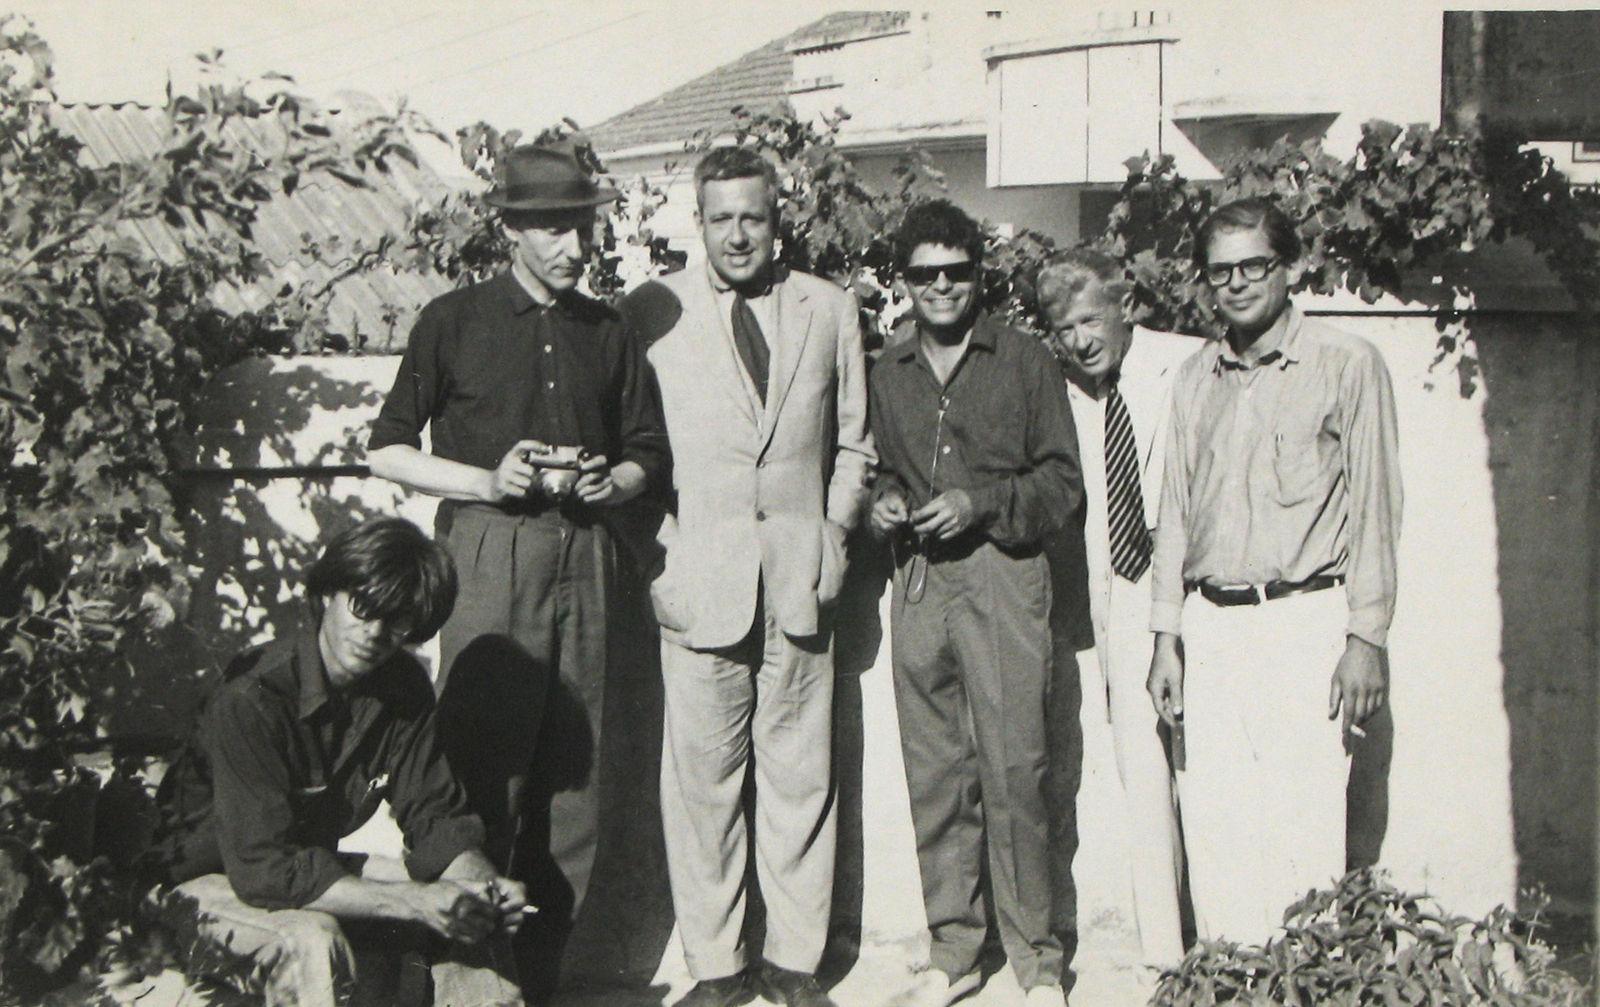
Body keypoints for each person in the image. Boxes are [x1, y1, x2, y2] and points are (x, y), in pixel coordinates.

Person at [365, 143, 668, 996]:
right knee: (483, 771)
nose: (576, 245)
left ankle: (548, 979)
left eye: (583, 224)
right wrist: (487, 480)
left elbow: (649, 452)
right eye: (555, 228)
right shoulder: (451, 321)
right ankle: (472, 980)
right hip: (490, 553)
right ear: (511, 229)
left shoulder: (608, 331)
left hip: (591, 558)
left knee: (579, 781)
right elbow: (388, 450)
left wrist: (619, 478)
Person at [618, 146, 874, 1007]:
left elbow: (852, 442)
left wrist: (834, 535)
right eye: (720, 217)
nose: (737, 234)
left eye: (753, 217)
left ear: (778, 219)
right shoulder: (652, 312)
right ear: (700, 221)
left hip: (800, 581)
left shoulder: (828, 309)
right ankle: (718, 968)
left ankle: (794, 964)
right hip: (699, 584)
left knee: (803, 775)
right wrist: (664, 559)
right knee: (702, 788)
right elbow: (633, 452)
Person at [1146, 197, 1402, 944]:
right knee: (1216, 826)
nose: (1234, 284)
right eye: (1219, 271)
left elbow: (1377, 510)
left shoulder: (1348, 365)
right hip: (1211, 624)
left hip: (1305, 620)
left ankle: (1304, 986)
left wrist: (1366, 636)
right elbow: (1175, 514)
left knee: (1303, 827)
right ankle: (1232, 985)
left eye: (1253, 265)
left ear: (1290, 267)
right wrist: (1166, 634)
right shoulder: (1195, 377)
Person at [155, 516, 528, 1007]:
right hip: (202, 885)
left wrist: (480, 886)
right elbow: (262, 870)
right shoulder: (253, 697)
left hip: (300, 866)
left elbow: (437, 819)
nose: (375, 632)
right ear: (327, 594)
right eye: (363, 607)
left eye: (397, 621)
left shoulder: (402, 688)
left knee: (467, 908)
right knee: (313, 937)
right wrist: (413, 902)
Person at [867, 199, 1081, 1007]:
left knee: (1016, 764)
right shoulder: (888, 370)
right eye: (925, 275)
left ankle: (1036, 959)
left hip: (1002, 571)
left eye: (957, 271)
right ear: (906, 282)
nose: (943, 287)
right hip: (919, 580)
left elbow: (1063, 483)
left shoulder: (1025, 360)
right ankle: (955, 947)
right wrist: (886, 501)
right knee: (936, 769)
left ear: (977, 274)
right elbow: (882, 469)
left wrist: (981, 503)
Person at [1036, 249, 1199, 977]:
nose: (1078, 339)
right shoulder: (1067, 393)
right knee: (1142, 768)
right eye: (1062, 327)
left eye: (1090, 319)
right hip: (1117, 601)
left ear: (1124, 304)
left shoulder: (1187, 366)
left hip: (1192, 592)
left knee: (1206, 770)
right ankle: (1169, 954)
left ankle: (1234, 936)